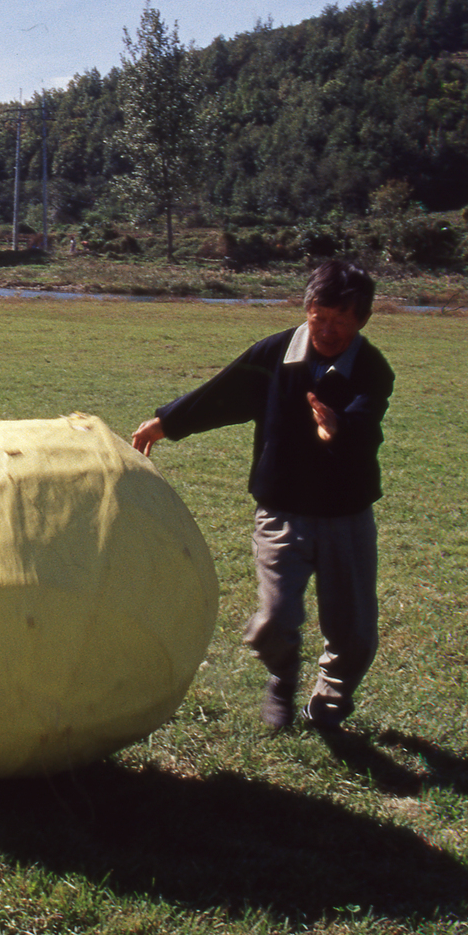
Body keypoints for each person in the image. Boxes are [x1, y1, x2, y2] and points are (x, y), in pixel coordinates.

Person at [130, 259, 396, 732]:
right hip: (282, 512)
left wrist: (339, 426)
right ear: (307, 308)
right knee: (273, 621)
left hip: (345, 516)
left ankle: (330, 701)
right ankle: (282, 677)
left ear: (361, 321)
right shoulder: (273, 354)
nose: (329, 331)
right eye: (320, 319)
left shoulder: (372, 368)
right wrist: (166, 422)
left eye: (341, 322)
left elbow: (366, 416)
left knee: (354, 635)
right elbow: (222, 394)